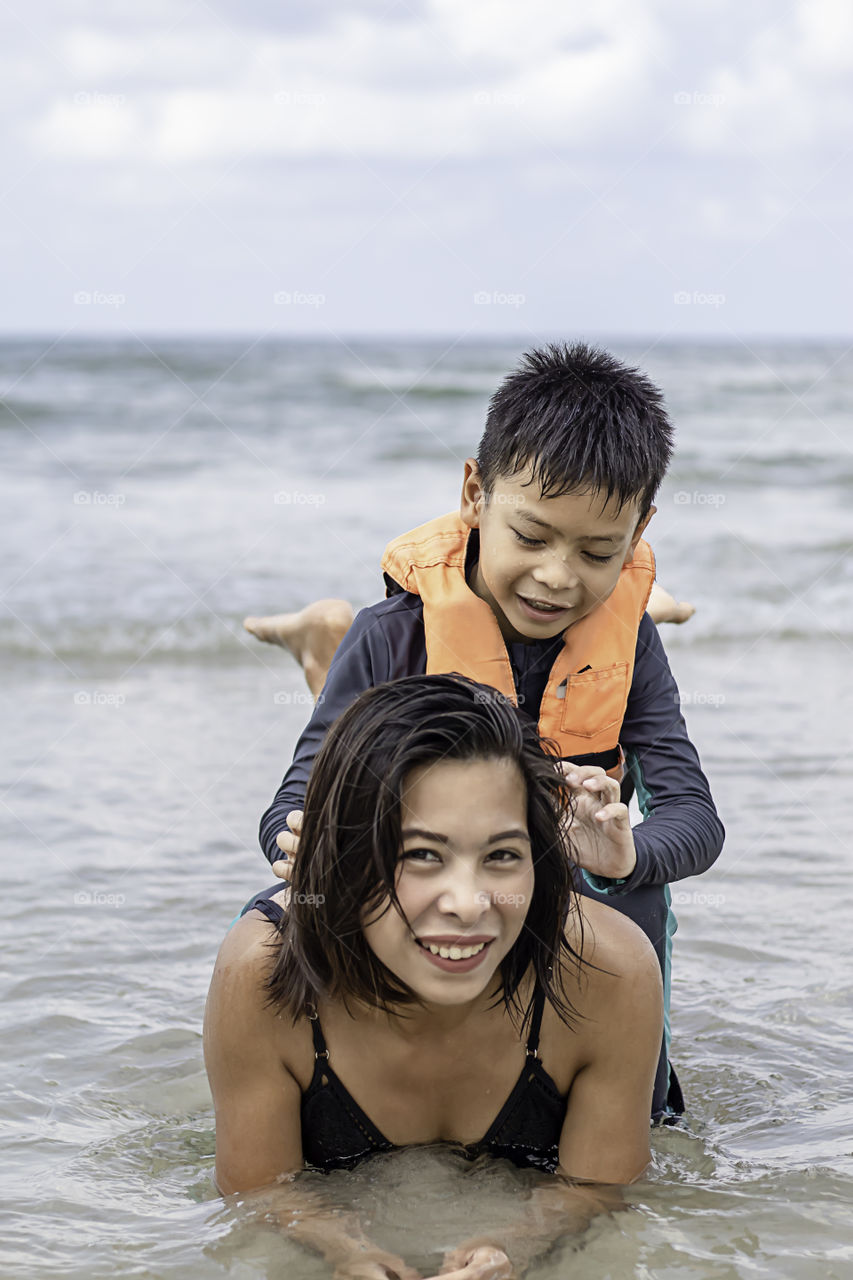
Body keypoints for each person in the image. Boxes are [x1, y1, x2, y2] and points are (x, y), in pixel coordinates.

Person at [251, 342, 725, 1120]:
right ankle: (322, 645)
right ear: (474, 492)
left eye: (598, 551)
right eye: (531, 537)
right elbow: (288, 807)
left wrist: (627, 853)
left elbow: (696, 820)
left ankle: (316, 646)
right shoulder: (393, 638)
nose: (556, 576)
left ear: (638, 531)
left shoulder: (628, 644)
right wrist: (302, 840)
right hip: (445, 856)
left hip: (556, 873)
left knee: (650, 1086)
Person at [204, 675, 664, 1280]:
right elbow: (258, 1194)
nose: (469, 904)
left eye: (501, 854)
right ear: (347, 857)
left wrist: (519, 1243)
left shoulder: (609, 970)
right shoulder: (260, 974)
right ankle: (325, 659)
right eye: (422, 854)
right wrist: (341, 1248)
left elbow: (601, 1189)